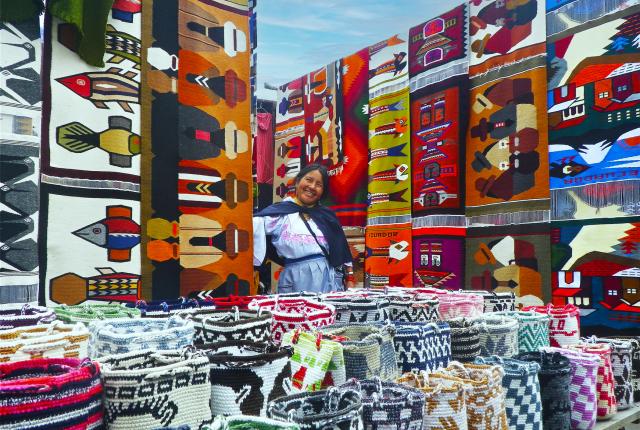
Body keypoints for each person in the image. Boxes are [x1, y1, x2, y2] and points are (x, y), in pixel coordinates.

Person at [253, 164, 354, 293]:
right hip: (295, 279)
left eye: (319, 185)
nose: (312, 187)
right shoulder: (280, 213)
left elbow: (342, 250)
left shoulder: (327, 216)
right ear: (297, 181)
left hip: (329, 279)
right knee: (296, 313)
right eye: (309, 180)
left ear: (323, 192)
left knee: (328, 312)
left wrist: (349, 279)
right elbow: (253, 225)